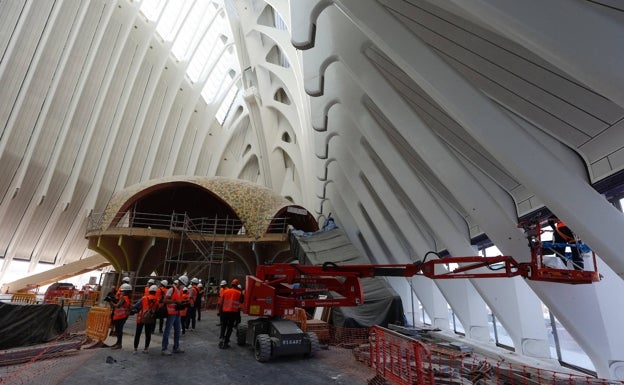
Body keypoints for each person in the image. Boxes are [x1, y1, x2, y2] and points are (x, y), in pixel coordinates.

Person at [161, 278, 185, 355]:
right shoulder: (171, 290)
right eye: (182, 284)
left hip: (177, 312)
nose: (182, 286)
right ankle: (164, 349)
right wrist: (175, 301)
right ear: (180, 283)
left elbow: (179, 300)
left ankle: (176, 347)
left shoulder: (181, 290)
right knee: (167, 330)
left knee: (178, 330)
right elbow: (165, 300)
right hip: (171, 313)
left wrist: (182, 303)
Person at [133, 284, 159, 354]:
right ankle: (146, 348)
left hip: (141, 317)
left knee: (138, 333)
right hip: (150, 318)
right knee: (148, 333)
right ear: (156, 292)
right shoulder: (156, 300)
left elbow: (136, 306)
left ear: (149, 291)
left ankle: (135, 349)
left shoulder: (144, 298)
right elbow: (157, 309)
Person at [218, 279, 242, 349]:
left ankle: (221, 339)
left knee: (223, 326)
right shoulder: (239, 293)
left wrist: (220, 312)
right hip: (233, 313)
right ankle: (226, 342)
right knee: (230, 328)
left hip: (224, 312)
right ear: (237, 285)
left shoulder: (225, 291)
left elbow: (221, 303)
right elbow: (241, 301)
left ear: (231, 284)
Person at [110, 283, 132, 349]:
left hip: (120, 317)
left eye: (122, 291)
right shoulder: (127, 298)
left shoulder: (124, 298)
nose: (121, 292)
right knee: (118, 330)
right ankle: (118, 343)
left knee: (119, 330)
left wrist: (110, 301)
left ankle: (119, 344)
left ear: (126, 291)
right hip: (121, 316)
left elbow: (117, 305)